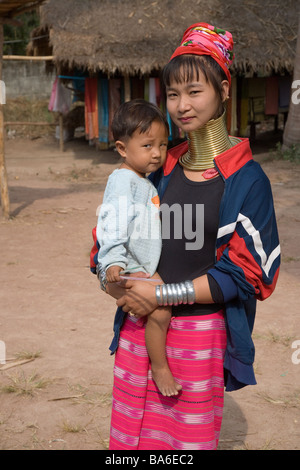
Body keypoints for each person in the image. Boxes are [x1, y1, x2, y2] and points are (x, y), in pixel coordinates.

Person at [95, 23, 280, 450]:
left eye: (195, 92)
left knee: (186, 444)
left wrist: (159, 296)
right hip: (136, 324)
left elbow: (251, 275)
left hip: (200, 334)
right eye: (173, 94)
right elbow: (107, 234)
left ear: (223, 90)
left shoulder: (247, 181)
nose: (182, 105)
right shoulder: (156, 166)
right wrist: (114, 283)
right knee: (130, 440)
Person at [97, 99, 182, 397]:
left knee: (160, 308)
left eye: (162, 144)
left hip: (137, 263)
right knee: (161, 311)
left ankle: (151, 366)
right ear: (122, 148)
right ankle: (159, 367)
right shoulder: (124, 181)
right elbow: (113, 222)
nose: (157, 153)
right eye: (147, 145)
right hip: (127, 265)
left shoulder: (141, 180)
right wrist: (112, 262)